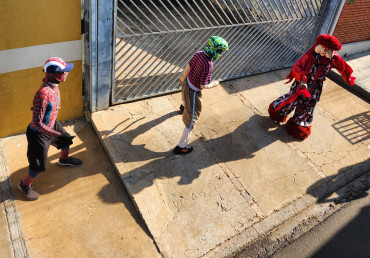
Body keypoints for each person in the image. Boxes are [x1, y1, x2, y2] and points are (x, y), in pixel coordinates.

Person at [268, 34, 355, 140]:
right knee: (293, 99)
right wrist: (302, 80)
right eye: (322, 47)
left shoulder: (333, 58)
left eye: (327, 49)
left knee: (308, 106)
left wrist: (348, 78)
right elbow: (298, 66)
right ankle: (278, 111)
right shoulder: (310, 54)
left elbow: (343, 67)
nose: (324, 51)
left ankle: (298, 125)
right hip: (302, 83)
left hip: (316, 86)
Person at [18, 57, 82, 201]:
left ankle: (64, 160)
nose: (66, 74)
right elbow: (37, 123)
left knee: (65, 141)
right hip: (38, 134)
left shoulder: (54, 86)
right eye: (63, 72)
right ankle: (24, 185)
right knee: (37, 166)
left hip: (52, 125)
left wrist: (58, 133)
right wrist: (56, 133)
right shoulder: (43, 94)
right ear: (54, 74)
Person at [174, 36, 229, 155]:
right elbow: (203, 85)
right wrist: (214, 84)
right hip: (193, 92)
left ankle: (183, 107)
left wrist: (182, 77)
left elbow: (188, 66)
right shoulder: (209, 64)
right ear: (216, 51)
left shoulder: (198, 53)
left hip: (186, 83)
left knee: (185, 96)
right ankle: (181, 146)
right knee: (192, 120)